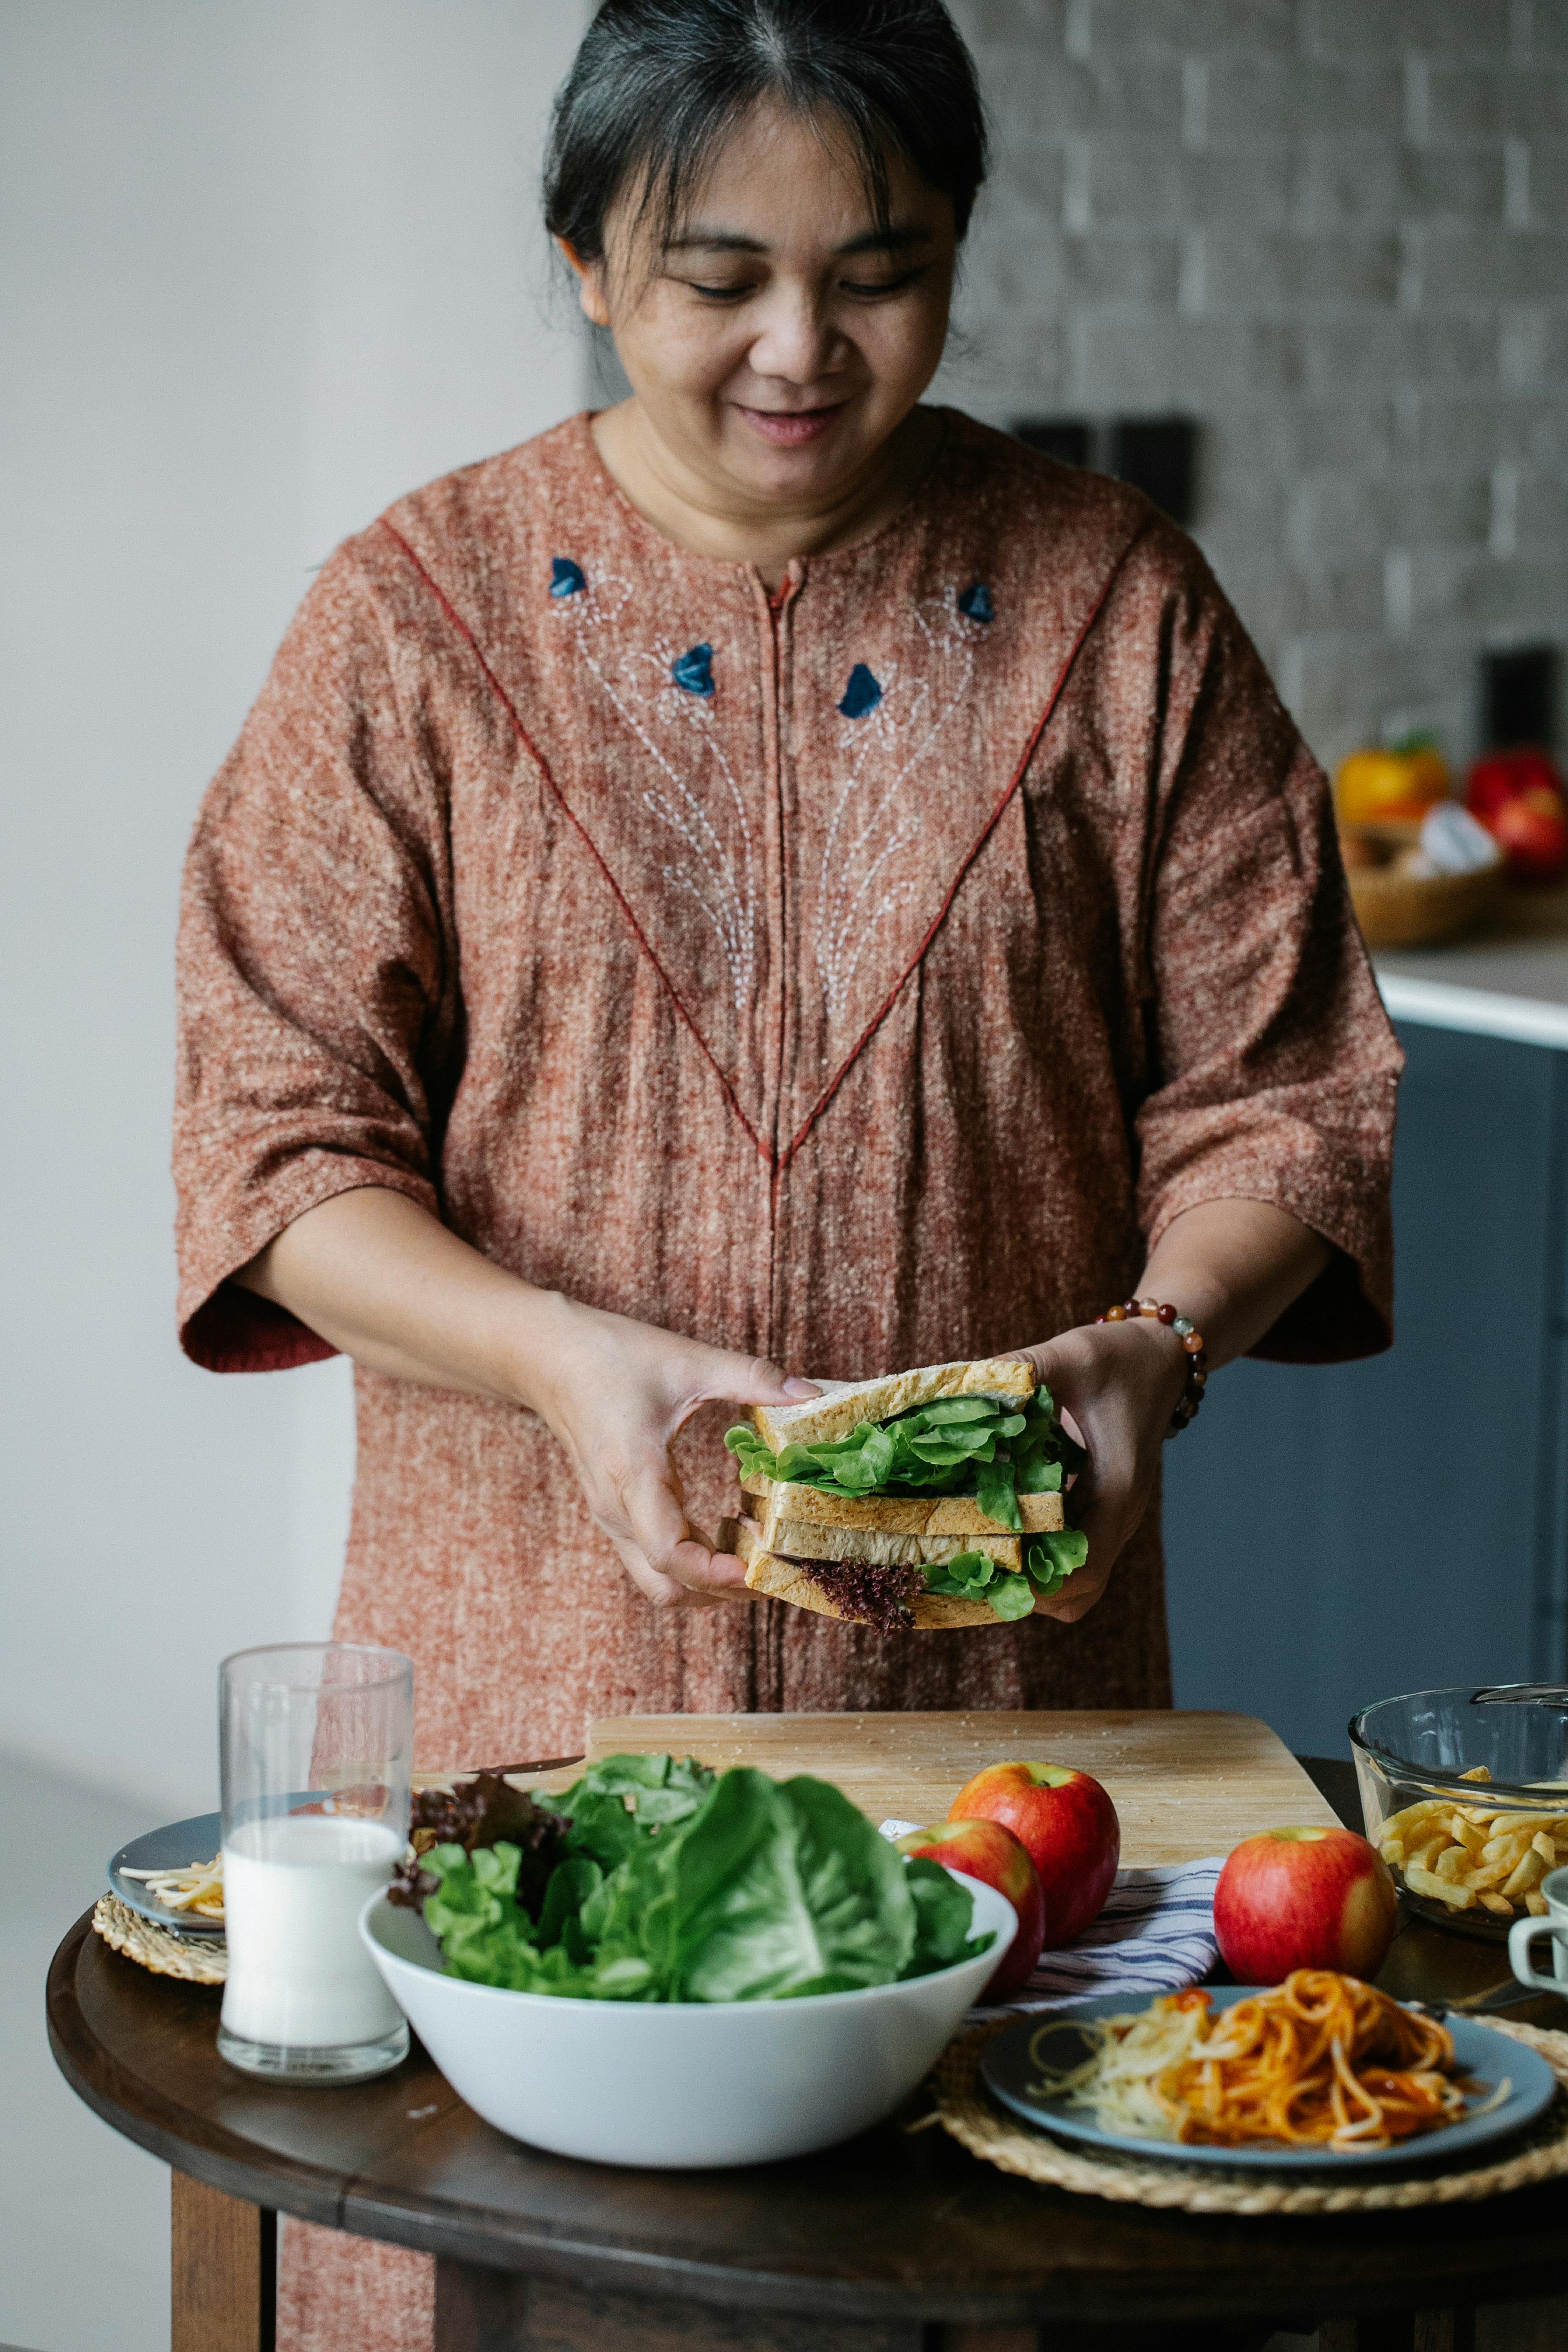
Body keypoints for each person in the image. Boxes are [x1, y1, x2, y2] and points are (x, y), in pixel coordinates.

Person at [173, 2, 1400, 2343]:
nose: (800, 349)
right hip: (536, 1661)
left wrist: (1153, 1346)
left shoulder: (1117, 603)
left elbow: (1284, 1095)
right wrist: (555, 1359)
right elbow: (272, 1140)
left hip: (1001, 1714)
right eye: (716, 273)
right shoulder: (407, 621)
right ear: (583, 257)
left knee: (986, 2263)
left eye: (883, 270)